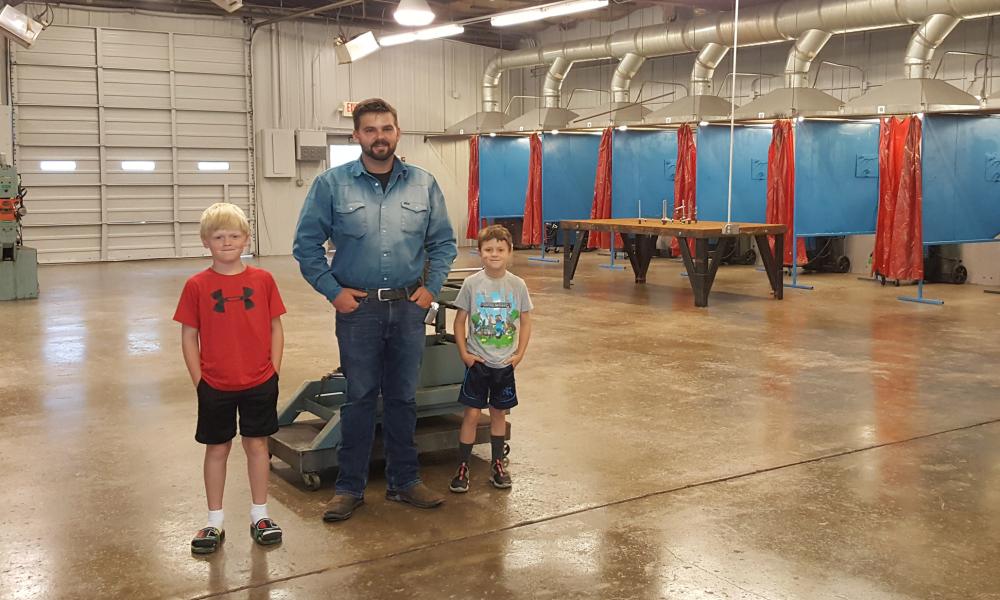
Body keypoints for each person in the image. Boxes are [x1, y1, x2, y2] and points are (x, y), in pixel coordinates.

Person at [293, 98, 458, 522]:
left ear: (397, 132)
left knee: (404, 398)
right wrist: (334, 292)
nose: (379, 137)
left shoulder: (423, 184)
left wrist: (431, 289)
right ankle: (350, 488)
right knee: (360, 397)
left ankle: (406, 481)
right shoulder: (331, 185)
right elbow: (306, 246)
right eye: (370, 130)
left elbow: (443, 242)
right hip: (358, 310)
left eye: (386, 128)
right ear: (356, 136)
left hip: (407, 309)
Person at [173, 203, 286, 554]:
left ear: (246, 239)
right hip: (215, 385)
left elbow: (275, 327)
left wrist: (274, 372)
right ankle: (214, 521)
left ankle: (260, 514)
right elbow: (189, 335)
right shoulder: (196, 286)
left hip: (259, 381)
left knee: (257, 445)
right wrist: (200, 381)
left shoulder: (263, 280)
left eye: (234, 236)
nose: (226, 242)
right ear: (205, 242)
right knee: (217, 448)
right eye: (218, 237)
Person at [449, 225, 533, 493]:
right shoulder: (472, 284)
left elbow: (526, 320)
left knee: (498, 413)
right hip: (479, 364)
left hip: (504, 364)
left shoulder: (517, 285)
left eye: (500, 250)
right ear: (480, 252)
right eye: (488, 250)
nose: (494, 254)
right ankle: (463, 466)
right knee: (472, 414)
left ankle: (497, 464)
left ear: (510, 253)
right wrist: (465, 353)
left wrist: (519, 355)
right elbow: (460, 321)